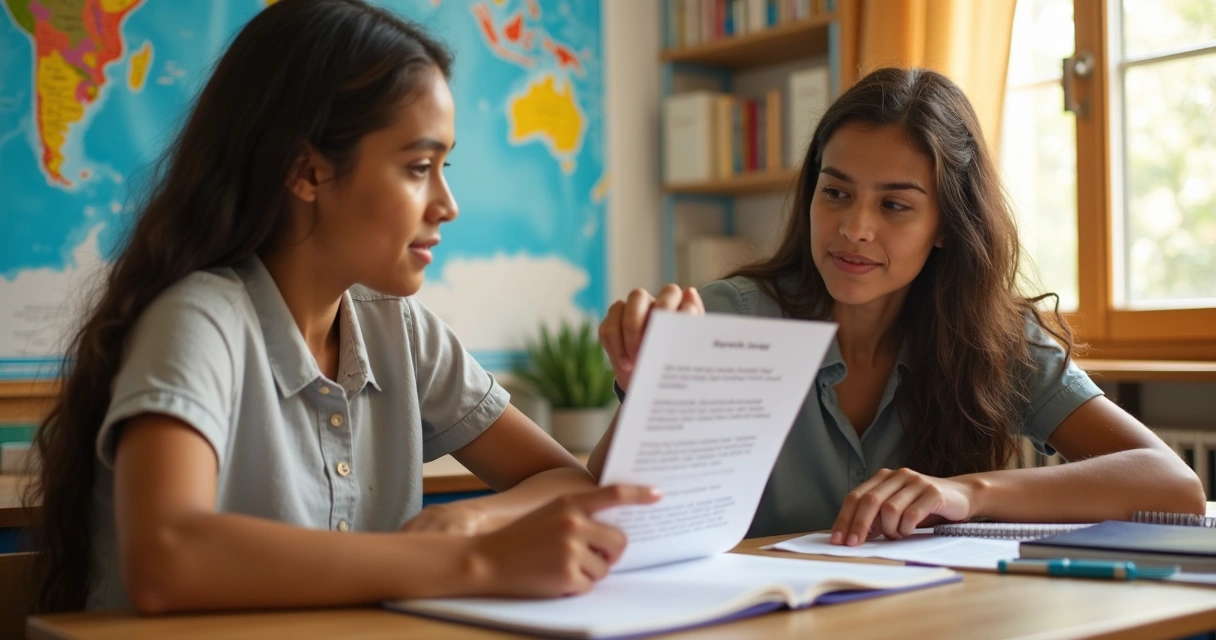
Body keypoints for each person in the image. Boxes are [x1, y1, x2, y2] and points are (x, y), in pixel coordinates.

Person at [29, 0, 657, 614]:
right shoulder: (200, 320)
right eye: (419, 167)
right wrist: (473, 560)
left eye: (445, 166)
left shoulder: (397, 327)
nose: (448, 205)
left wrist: (467, 522)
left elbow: (565, 483)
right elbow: (166, 558)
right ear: (306, 172)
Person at [590, 67, 1203, 546]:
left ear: (946, 226)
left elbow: (1174, 485)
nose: (854, 228)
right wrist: (650, 394)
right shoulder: (726, 319)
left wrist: (969, 493)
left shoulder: (997, 339)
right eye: (836, 192)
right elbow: (600, 505)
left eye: (894, 205)